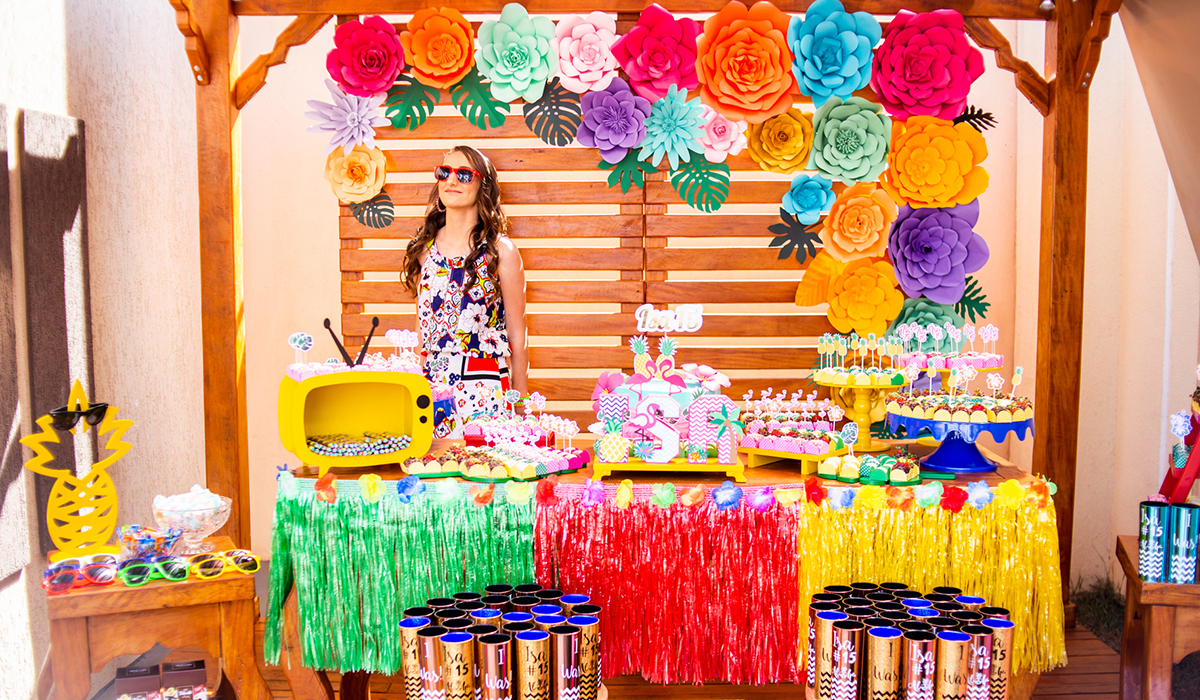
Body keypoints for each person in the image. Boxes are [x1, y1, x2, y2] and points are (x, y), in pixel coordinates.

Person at [402, 146, 527, 436]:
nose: (451, 180)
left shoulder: (501, 251)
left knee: (485, 465)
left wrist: (521, 407)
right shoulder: (424, 250)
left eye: (464, 174)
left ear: (484, 185)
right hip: (432, 387)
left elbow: (518, 336)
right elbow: (422, 329)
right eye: (444, 172)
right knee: (433, 463)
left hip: (486, 388)